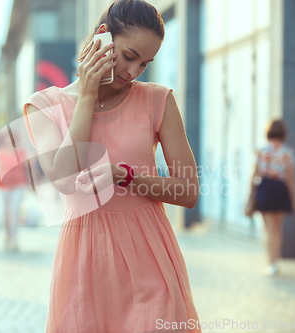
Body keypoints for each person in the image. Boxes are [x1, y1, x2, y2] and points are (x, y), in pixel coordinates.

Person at [22, 1, 202, 332]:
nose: (133, 72)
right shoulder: (44, 106)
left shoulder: (157, 98)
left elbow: (189, 192)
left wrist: (124, 176)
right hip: (85, 265)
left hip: (152, 259)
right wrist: (87, 97)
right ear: (103, 36)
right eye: (130, 56)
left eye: (145, 64)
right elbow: (63, 179)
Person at [250, 119, 295, 277]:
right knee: (278, 228)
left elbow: (254, 174)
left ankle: (270, 263)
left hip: (266, 187)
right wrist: (294, 198)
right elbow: (291, 178)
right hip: (281, 188)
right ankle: (275, 262)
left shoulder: (262, 150)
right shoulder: (287, 151)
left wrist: (250, 195)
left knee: (268, 228)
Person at [0, 130, 31, 251]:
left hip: (19, 185)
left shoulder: (21, 152)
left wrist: (32, 184)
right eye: (6, 138)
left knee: (14, 212)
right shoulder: (0, 153)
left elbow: (27, 168)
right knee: (5, 212)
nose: (8, 141)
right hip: (4, 186)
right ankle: (7, 236)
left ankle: (14, 239)